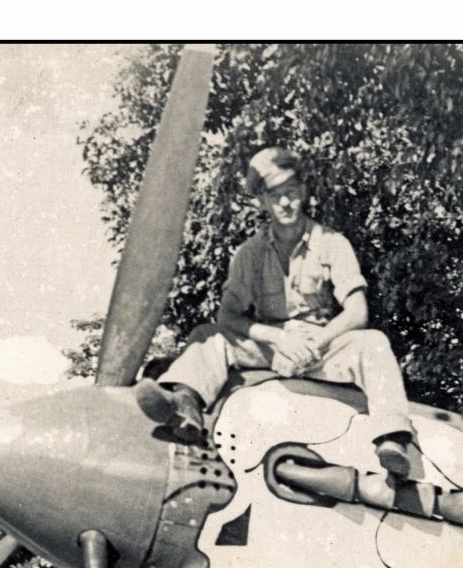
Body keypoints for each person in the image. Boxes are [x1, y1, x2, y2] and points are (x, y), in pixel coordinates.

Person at [136, 147, 420, 477]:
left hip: (322, 349)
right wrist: (279, 339)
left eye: (291, 192)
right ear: (262, 201)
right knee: (208, 336)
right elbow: (228, 316)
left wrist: (313, 345)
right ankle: (185, 406)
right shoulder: (249, 253)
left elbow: (357, 312)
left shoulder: (332, 243)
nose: (285, 203)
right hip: (270, 348)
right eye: (274, 195)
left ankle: (391, 438)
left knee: (373, 343)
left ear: (304, 192)